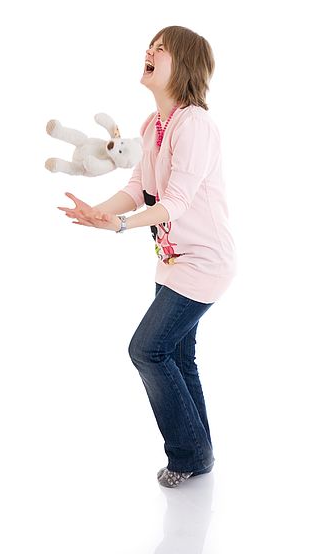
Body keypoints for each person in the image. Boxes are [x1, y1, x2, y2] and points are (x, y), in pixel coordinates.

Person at [56, 25, 237, 488]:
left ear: (186, 67)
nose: (150, 52)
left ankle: (188, 453)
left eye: (162, 49)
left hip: (204, 263)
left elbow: (174, 201)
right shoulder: (151, 125)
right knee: (178, 356)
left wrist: (119, 226)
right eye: (150, 46)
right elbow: (138, 188)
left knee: (146, 350)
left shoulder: (194, 124)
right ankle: (200, 454)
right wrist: (101, 213)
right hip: (173, 262)